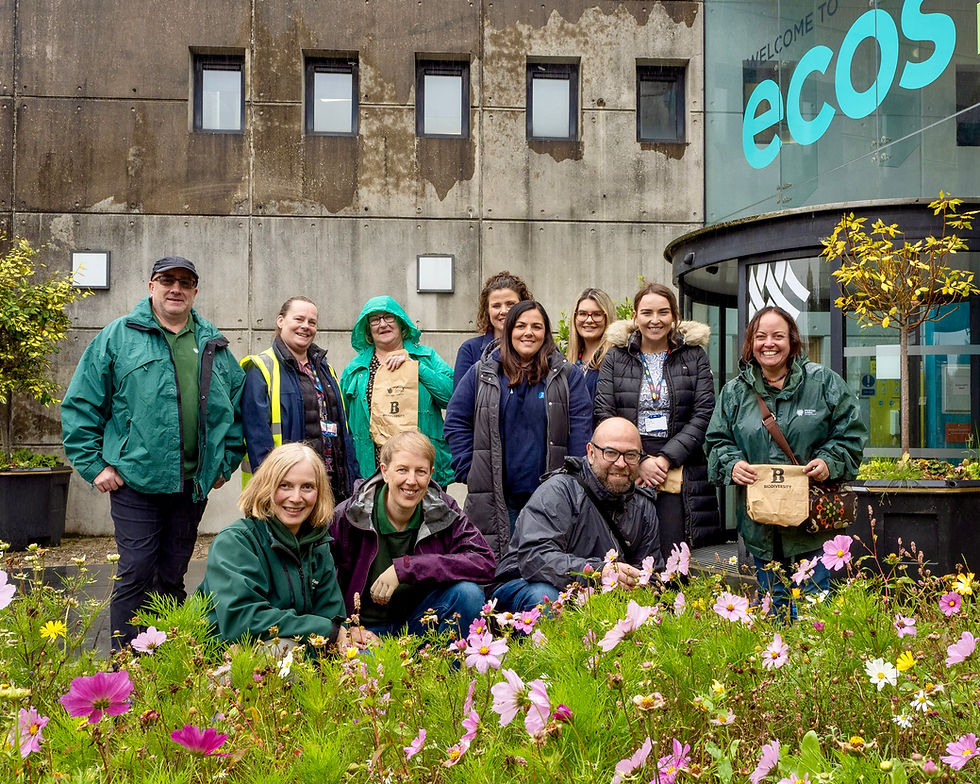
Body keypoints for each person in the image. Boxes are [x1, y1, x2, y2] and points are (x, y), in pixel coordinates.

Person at [61, 256, 245, 646]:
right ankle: (126, 668)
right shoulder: (117, 337)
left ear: (195, 291)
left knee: (173, 573)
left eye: (185, 282)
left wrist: (223, 465)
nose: (175, 288)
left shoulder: (213, 343)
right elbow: (81, 404)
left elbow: (238, 408)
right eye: (167, 280)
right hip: (135, 482)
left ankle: (167, 665)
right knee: (137, 570)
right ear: (151, 287)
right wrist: (95, 466)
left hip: (191, 486)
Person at [704, 305, 868, 615]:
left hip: (812, 527)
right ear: (751, 343)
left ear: (792, 341)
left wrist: (829, 462)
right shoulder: (735, 393)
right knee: (773, 610)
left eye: (778, 336)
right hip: (760, 526)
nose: (769, 343)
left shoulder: (823, 383)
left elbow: (852, 436)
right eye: (761, 336)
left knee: (814, 612)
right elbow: (716, 442)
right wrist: (732, 464)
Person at [444, 300, 593, 561]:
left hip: (550, 495)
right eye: (521, 325)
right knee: (499, 568)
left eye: (537, 326)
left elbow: (581, 430)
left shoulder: (567, 376)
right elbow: (456, 420)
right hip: (497, 495)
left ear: (546, 333)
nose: (528, 332)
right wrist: (469, 469)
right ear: (509, 330)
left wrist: (573, 479)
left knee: (546, 566)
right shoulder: (482, 373)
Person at [329, 430, 495, 638]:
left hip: (421, 623)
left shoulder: (444, 511)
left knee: (468, 594)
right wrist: (343, 628)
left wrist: (407, 567)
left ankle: (447, 667)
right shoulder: (350, 514)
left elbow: (484, 562)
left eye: (420, 472)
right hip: (365, 630)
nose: (411, 480)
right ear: (384, 471)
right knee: (368, 668)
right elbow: (320, 578)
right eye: (402, 470)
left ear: (431, 474)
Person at [594, 282, 721, 553]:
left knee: (674, 553)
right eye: (647, 312)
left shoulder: (694, 356)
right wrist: (638, 461)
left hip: (677, 463)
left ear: (674, 316)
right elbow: (604, 413)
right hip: (626, 463)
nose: (655, 320)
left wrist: (663, 460)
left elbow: (704, 414)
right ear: (635, 316)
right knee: (627, 551)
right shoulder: (616, 357)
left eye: (663, 312)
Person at [492, 417, 664, 612]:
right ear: (591, 453)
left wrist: (641, 586)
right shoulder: (559, 491)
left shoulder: (644, 505)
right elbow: (535, 558)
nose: (621, 463)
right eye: (611, 453)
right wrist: (598, 573)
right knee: (546, 598)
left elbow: (651, 570)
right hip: (526, 584)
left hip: (596, 595)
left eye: (631, 455)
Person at [198, 443, 349, 649]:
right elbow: (242, 621)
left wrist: (339, 637)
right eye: (285, 485)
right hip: (228, 661)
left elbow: (332, 618)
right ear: (266, 487)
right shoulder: (235, 542)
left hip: (298, 654)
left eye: (307, 487)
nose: (296, 498)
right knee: (281, 649)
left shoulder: (319, 545)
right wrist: (326, 631)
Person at [240, 296, 358, 501]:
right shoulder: (260, 368)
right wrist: (271, 489)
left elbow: (342, 430)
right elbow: (257, 437)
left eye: (312, 322)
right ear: (280, 321)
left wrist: (352, 480)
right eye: (299, 319)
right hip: (287, 491)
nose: (306, 326)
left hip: (331, 486)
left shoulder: (325, 369)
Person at [340, 296, 454, 486]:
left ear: (401, 322)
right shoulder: (355, 368)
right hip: (372, 468)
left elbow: (451, 397)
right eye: (375, 319)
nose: (382, 324)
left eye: (388, 317)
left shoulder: (427, 357)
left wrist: (417, 367)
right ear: (368, 329)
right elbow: (342, 418)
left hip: (420, 467)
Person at [453, 270, 533, 389]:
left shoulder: (536, 347)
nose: (504, 311)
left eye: (510, 304)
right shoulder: (470, 350)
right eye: (496, 306)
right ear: (487, 310)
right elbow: (460, 403)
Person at [566, 287, 615, 401]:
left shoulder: (616, 359)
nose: (589, 320)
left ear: (607, 318)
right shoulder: (569, 361)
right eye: (582, 314)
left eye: (597, 314)